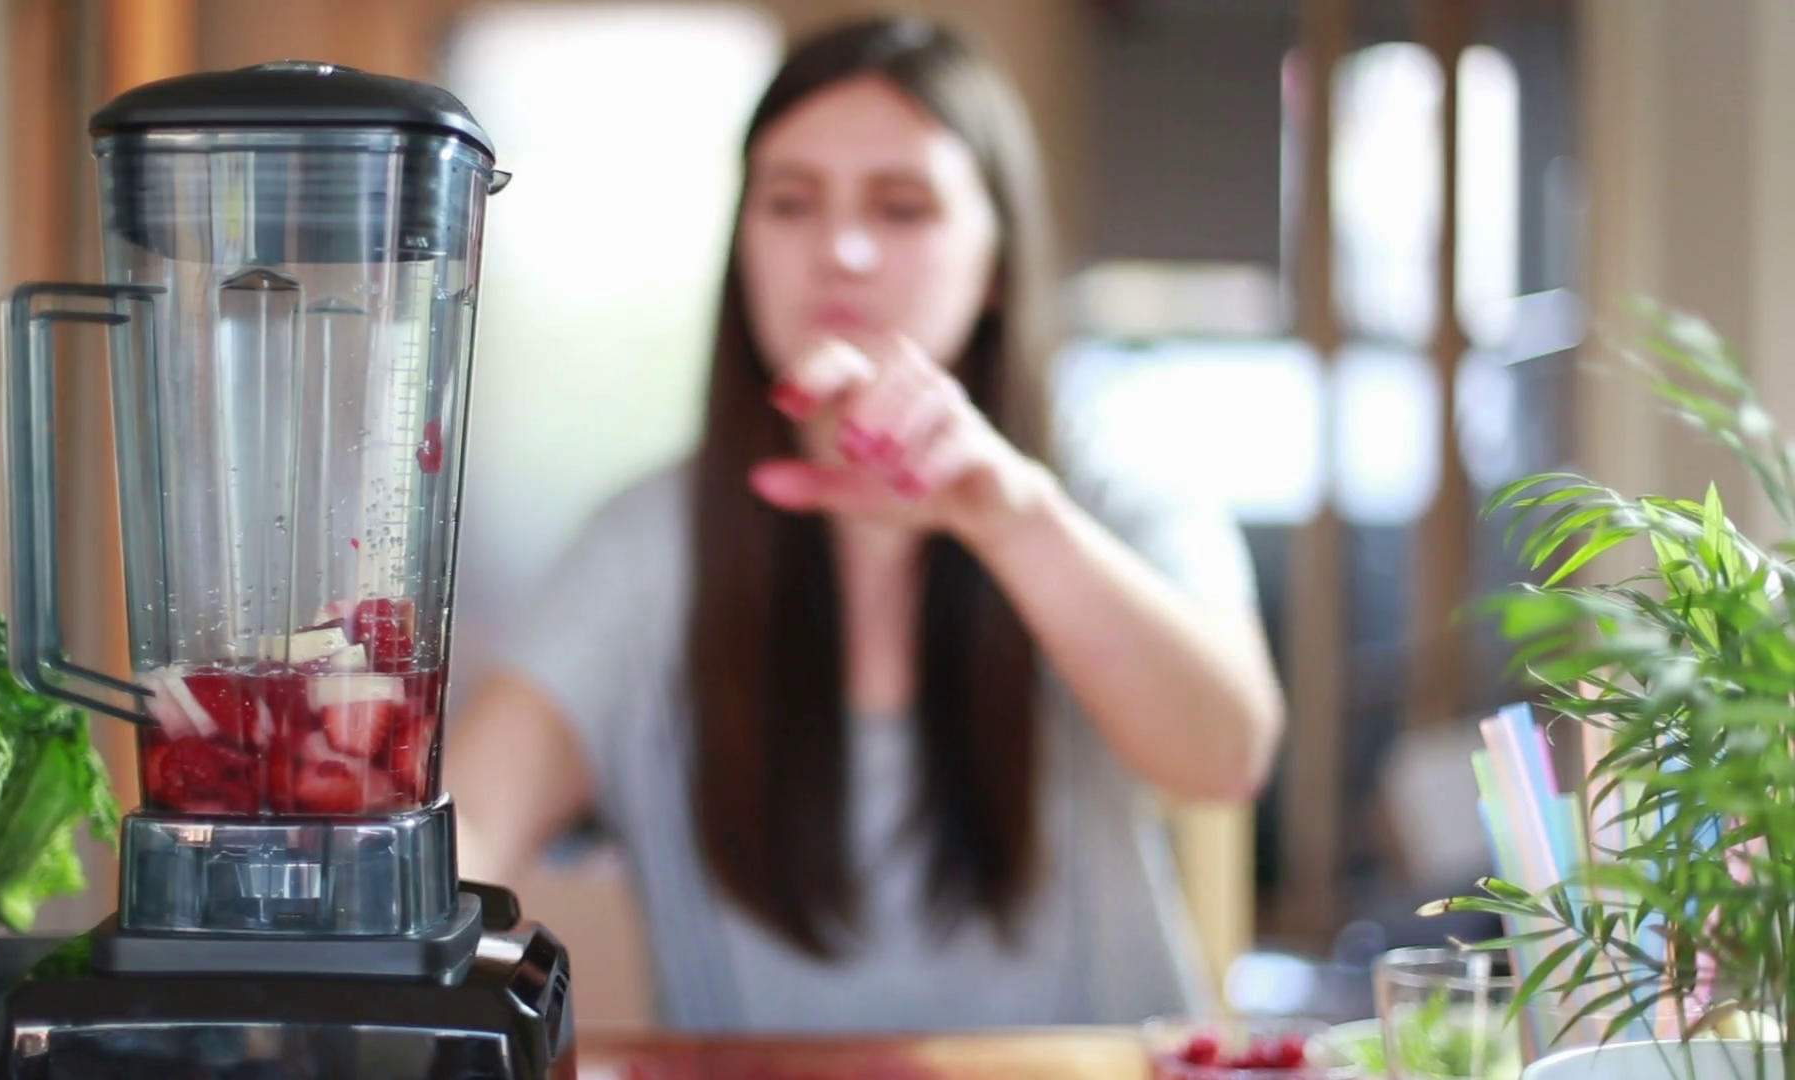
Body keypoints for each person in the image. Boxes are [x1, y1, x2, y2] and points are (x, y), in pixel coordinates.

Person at [449, 15, 1284, 1032]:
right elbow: (474, 821)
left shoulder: (1101, 492)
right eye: (790, 203)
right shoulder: (643, 548)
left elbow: (1226, 756)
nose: (840, 251)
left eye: (902, 208)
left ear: (995, 261)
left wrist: (1012, 518)